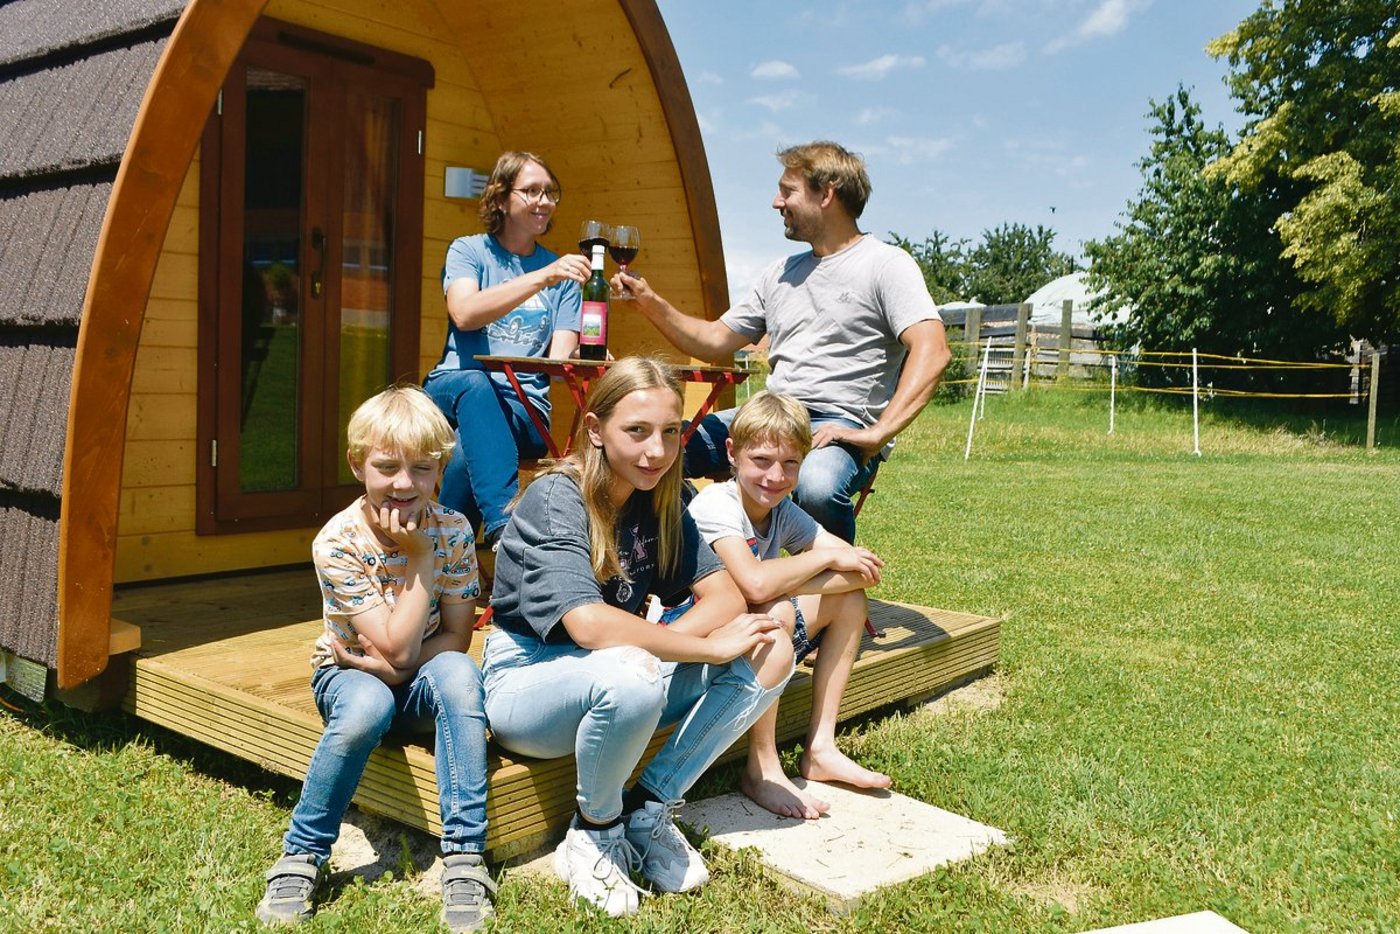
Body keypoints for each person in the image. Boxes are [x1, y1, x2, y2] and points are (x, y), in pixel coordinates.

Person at [482, 357, 793, 918]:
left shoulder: (661, 499)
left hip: (620, 671)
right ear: (596, 431)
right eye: (637, 431)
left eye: (670, 432)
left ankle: (649, 806)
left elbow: (724, 596)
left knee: (772, 647)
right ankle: (594, 832)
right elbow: (588, 624)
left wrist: (659, 643)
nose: (657, 451)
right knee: (631, 669)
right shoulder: (558, 497)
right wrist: (698, 648)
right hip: (527, 680)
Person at [615, 140, 952, 543]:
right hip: (772, 414)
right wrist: (651, 304)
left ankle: (837, 592)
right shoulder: (779, 273)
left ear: (826, 194)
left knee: (817, 486)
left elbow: (933, 351)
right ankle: (691, 571)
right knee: (660, 453)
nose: (777, 202)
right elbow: (714, 340)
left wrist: (876, 435)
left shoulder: (885, 265)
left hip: (839, 423)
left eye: (787, 190)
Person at [256, 387, 493, 932]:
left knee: (461, 679)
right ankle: (302, 853)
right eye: (386, 466)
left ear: (441, 470)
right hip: (349, 672)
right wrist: (417, 561)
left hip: (419, 671)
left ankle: (464, 858)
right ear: (357, 464)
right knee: (363, 709)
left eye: (422, 468)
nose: (404, 483)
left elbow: (455, 637)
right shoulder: (337, 541)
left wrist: (423, 557)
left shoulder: (453, 531)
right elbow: (389, 647)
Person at [682, 391, 891, 820]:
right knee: (771, 612)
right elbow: (754, 584)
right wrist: (822, 558)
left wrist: (823, 563)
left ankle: (820, 747)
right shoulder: (716, 505)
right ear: (732, 454)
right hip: (695, 647)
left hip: (750, 637)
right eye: (760, 460)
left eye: (790, 464)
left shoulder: (781, 510)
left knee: (849, 598)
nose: (775, 476)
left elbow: (861, 570)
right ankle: (761, 766)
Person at [424, 150, 589, 548]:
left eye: (550, 193)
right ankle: (503, 524)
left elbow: (560, 359)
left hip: (523, 410)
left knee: (469, 448)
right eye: (532, 191)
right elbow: (464, 314)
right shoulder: (470, 251)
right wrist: (541, 278)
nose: (544, 201)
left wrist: (591, 354)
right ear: (500, 199)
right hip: (454, 390)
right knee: (476, 386)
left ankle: (442, 557)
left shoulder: (563, 274)